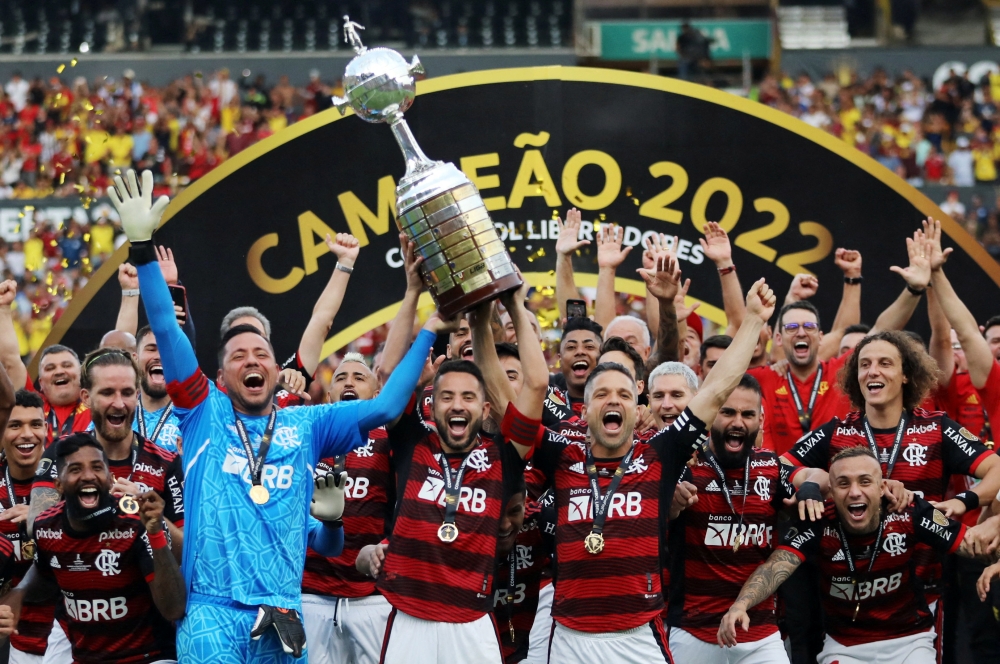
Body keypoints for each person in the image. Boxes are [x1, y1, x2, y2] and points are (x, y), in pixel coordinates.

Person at [110, 168, 440, 662]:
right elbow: (165, 326)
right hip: (211, 615)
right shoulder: (202, 411)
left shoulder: (308, 423)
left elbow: (389, 405)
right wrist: (142, 248)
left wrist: (432, 327)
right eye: (238, 354)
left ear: (274, 364)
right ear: (220, 375)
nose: (251, 360)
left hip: (282, 616)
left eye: (261, 352)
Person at [497, 270, 777, 662]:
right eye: (603, 394)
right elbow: (510, 408)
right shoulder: (562, 452)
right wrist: (494, 317)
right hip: (569, 638)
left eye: (624, 394)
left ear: (636, 406)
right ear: (586, 408)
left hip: (637, 637)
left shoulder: (659, 454)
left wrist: (751, 322)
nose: (614, 400)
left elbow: (715, 391)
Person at [361, 278, 544, 664]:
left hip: (472, 623)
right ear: (432, 405)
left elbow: (538, 382)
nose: (456, 405)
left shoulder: (504, 457)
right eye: (446, 396)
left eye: (467, 397)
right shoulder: (413, 441)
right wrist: (413, 295)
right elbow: (386, 374)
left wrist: (515, 308)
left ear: (486, 408)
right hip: (409, 619)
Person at [720, 446, 998, 664]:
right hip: (845, 646)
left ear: (882, 488)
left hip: (910, 641)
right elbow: (777, 565)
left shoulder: (911, 511)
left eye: (865, 481)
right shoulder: (819, 521)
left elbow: (969, 543)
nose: (854, 492)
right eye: (843, 483)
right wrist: (740, 605)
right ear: (830, 492)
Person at [0, 434, 186, 664]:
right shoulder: (46, 527)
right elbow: (45, 573)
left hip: (148, 657)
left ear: (109, 479)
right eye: (76, 469)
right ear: (59, 484)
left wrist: (156, 533)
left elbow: (174, 609)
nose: (88, 476)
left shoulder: (135, 521)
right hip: (86, 657)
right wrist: (20, 592)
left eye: (97, 467)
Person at [666, 373, 792, 663]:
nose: (738, 422)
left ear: (760, 420)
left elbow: (811, 476)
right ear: (711, 415)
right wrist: (670, 505)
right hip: (693, 632)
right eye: (727, 412)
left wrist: (810, 486)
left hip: (760, 635)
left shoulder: (770, 465)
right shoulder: (686, 467)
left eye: (747, 414)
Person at [28, 349, 184, 560]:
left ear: (137, 396)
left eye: (127, 393)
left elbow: (186, 550)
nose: (119, 403)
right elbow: (35, 527)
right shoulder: (61, 451)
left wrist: (150, 516)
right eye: (107, 392)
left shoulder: (165, 462)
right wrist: (95, 503)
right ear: (86, 398)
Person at [301, 353, 393, 664]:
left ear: (377, 394)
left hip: (371, 598)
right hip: (311, 594)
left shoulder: (390, 440)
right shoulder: (309, 433)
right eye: (340, 378)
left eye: (359, 377)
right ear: (328, 395)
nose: (349, 382)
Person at [0, 390, 67, 664]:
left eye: (35, 424)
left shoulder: (70, 475)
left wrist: (42, 517)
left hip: (71, 636)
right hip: (17, 640)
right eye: (15, 425)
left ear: (47, 429)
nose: (27, 434)